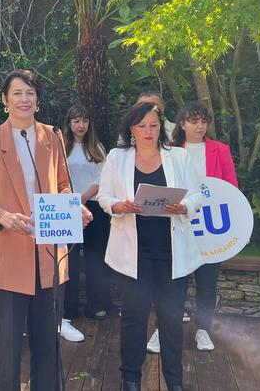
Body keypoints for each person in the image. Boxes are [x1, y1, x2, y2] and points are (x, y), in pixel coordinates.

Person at [0, 69, 92, 391]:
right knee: (8, 351)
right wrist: (2, 216)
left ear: (37, 101)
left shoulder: (52, 136)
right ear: (4, 100)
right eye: (17, 93)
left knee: (47, 347)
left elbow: (64, 185)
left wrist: (73, 206)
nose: (24, 99)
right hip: (9, 258)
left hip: (49, 259)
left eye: (29, 93)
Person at [98, 101, 203, 391]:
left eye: (153, 125)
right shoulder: (117, 157)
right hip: (134, 254)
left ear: (162, 127)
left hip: (171, 252)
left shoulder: (178, 157)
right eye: (141, 126)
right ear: (131, 128)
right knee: (134, 317)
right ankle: (130, 378)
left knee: (171, 319)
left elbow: (197, 195)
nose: (148, 131)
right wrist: (118, 205)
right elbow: (104, 196)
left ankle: (174, 380)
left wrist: (183, 207)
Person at [169, 101, 237, 352]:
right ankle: (163, 328)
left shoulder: (221, 150)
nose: (199, 126)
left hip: (211, 227)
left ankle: (203, 330)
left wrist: (235, 228)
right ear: (182, 123)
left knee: (208, 283)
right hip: (179, 226)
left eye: (203, 121)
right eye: (194, 121)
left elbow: (232, 190)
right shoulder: (170, 151)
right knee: (174, 281)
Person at [61, 104, 110, 342]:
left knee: (94, 258)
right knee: (68, 259)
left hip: (93, 208)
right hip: (66, 207)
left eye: (85, 121)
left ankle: (96, 306)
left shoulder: (97, 148)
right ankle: (67, 310)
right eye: (76, 121)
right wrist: (71, 200)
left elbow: (102, 179)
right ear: (69, 124)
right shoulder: (61, 147)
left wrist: (82, 198)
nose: (81, 125)